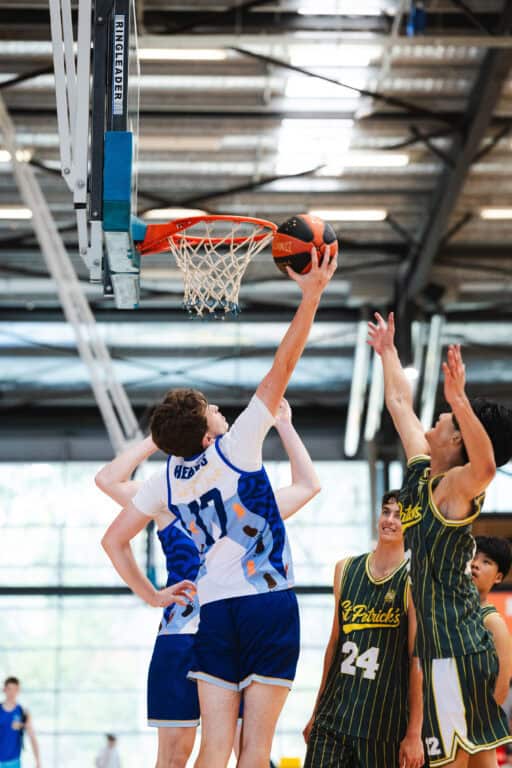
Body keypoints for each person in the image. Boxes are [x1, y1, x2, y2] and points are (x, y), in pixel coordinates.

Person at [102, 246, 336, 768]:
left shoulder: (164, 482)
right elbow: (282, 367)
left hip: (212, 610)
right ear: (207, 435)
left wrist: (151, 596)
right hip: (267, 603)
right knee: (253, 749)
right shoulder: (235, 451)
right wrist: (312, 296)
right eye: (211, 408)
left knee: (213, 748)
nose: (219, 409)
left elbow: (113, 540)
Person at [98, 399, 321, 768]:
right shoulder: (168, 494)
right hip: (185, 630)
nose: (218, 410)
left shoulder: (247, 506)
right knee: (177, 756)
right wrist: (165, 437)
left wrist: (285, 425)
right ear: (202, 435)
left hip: (229, 621)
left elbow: (308, 486)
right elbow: (108, 480)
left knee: (244, 748)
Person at [368, 311, 512, 768]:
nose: (433, 421)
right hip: (450, 650)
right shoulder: (419, 470)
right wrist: (388, 351)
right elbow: (397, 401)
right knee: (481, 762)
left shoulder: (454, 490)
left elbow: (486, 467)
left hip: (452, 649)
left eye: (445, 419)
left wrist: (462, 402)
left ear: (455, 443)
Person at [302, 490, 424, 768]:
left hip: (384, 724)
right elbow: (334, 643)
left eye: (399, 515)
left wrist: (414, 732)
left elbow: (418, 660)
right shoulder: (345, 569)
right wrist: (315, 712)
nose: (390, 520)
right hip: (334, 717)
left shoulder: (414, 580)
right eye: (386, 511)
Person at [471, 536, 512, 706]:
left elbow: (502, 684)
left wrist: (482, 726)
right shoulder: (451, 611)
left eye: (486, 562)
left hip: (473, 725)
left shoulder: (493, 622)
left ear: (498, 577)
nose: (475, 564)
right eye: (472, 557)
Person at [0, 677, 41, 768]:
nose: (12, 693)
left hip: (13, 762)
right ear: (4, 690)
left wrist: (38, 760)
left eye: (15, 689)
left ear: (18, 691)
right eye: (9, 689)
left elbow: (32, 737)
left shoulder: (23, 712)